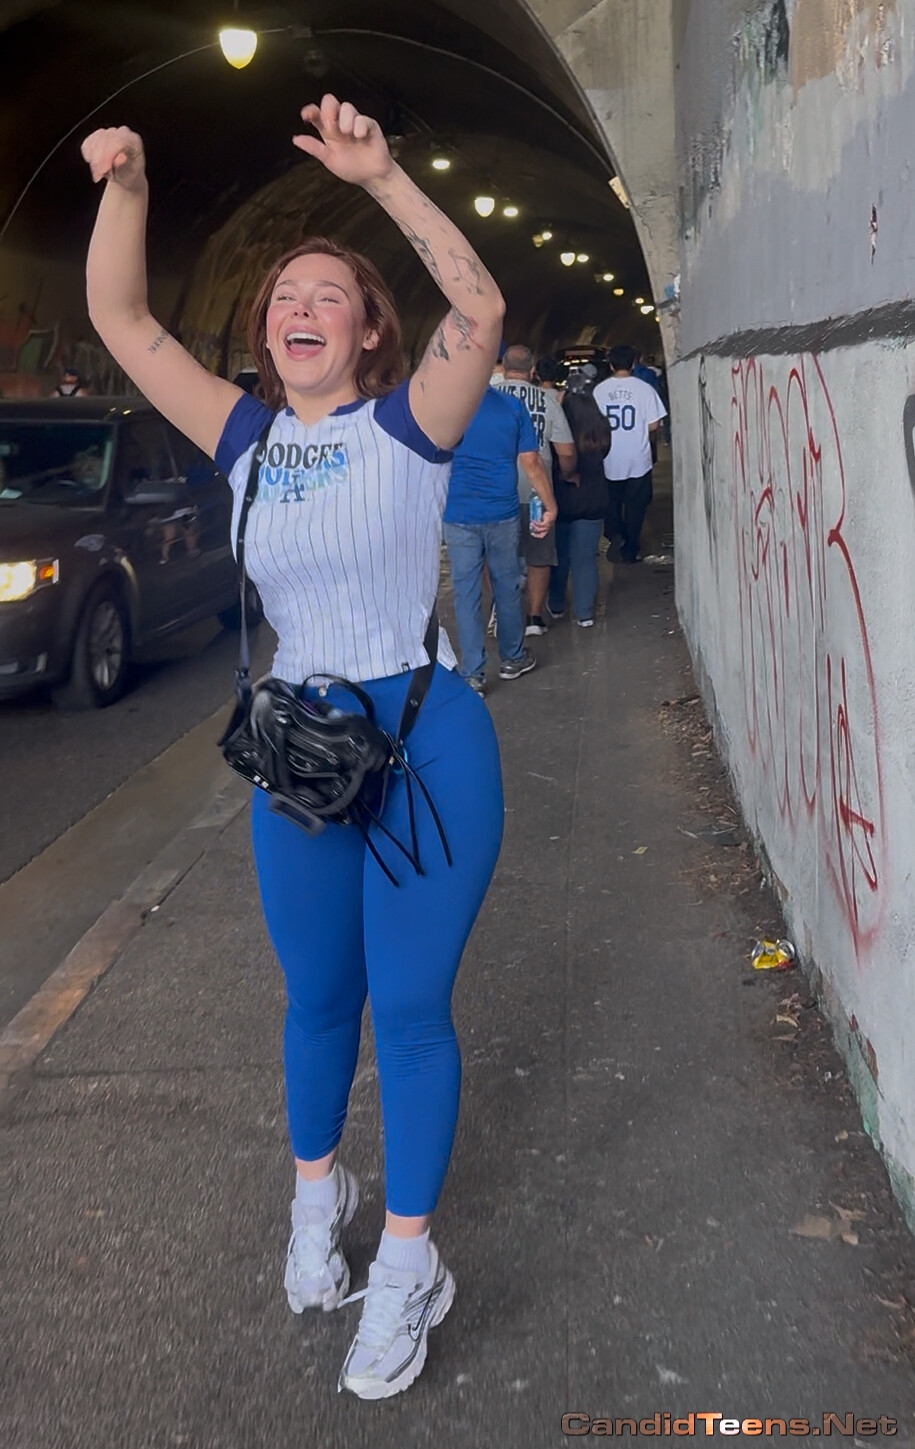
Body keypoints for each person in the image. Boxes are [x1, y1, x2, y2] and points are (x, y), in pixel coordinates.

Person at [81, 94, 507, 1401]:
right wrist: (129, 187)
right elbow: (124, 321)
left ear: (368, 328)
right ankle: (316, 1205)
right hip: (303, 756)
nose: (300, 306)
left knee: (409, 1010)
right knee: (318, 998)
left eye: (330, 295)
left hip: (425, 750)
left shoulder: (412, 425)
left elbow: (480, 308)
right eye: (283, 297)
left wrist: (381, 179)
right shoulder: (247, 439)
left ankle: (408, 1269)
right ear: (268, 333)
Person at [442, 386, 556, 694]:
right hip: (501, 513)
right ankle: (512, 659)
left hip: (457, 513)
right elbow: (531, 462)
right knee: (506, 586)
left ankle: (473, 674)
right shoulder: (511, 406)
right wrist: (551, 505)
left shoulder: (447, 404)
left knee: (466, 594)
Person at [495, 343, 575, 635]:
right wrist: (567, 474)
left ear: (503, 368)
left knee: (496, 555)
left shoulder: (487, 398)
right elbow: (566, 451)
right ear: (532, 371)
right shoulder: (547, 400)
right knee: (539, 555)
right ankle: (534, 618)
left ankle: (501, 612)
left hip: (496, 491)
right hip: (537, 492)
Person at [592, 344, 666, 564]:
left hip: (608, 457)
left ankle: (615, 534)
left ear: (611, 365)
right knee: (636, 505)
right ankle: (630, 548)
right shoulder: (644, 389)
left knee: (611, 502)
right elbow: (654, 424)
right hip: (638, 459)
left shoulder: (599, 390)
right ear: (634, 363)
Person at [547, 391, 611, 627]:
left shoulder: (558, 432)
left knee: (559, 557)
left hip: (562, 500)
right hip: (593, 500)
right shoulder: (601, 433)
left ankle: (556, 605)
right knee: (585, 559)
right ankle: (584, 614)